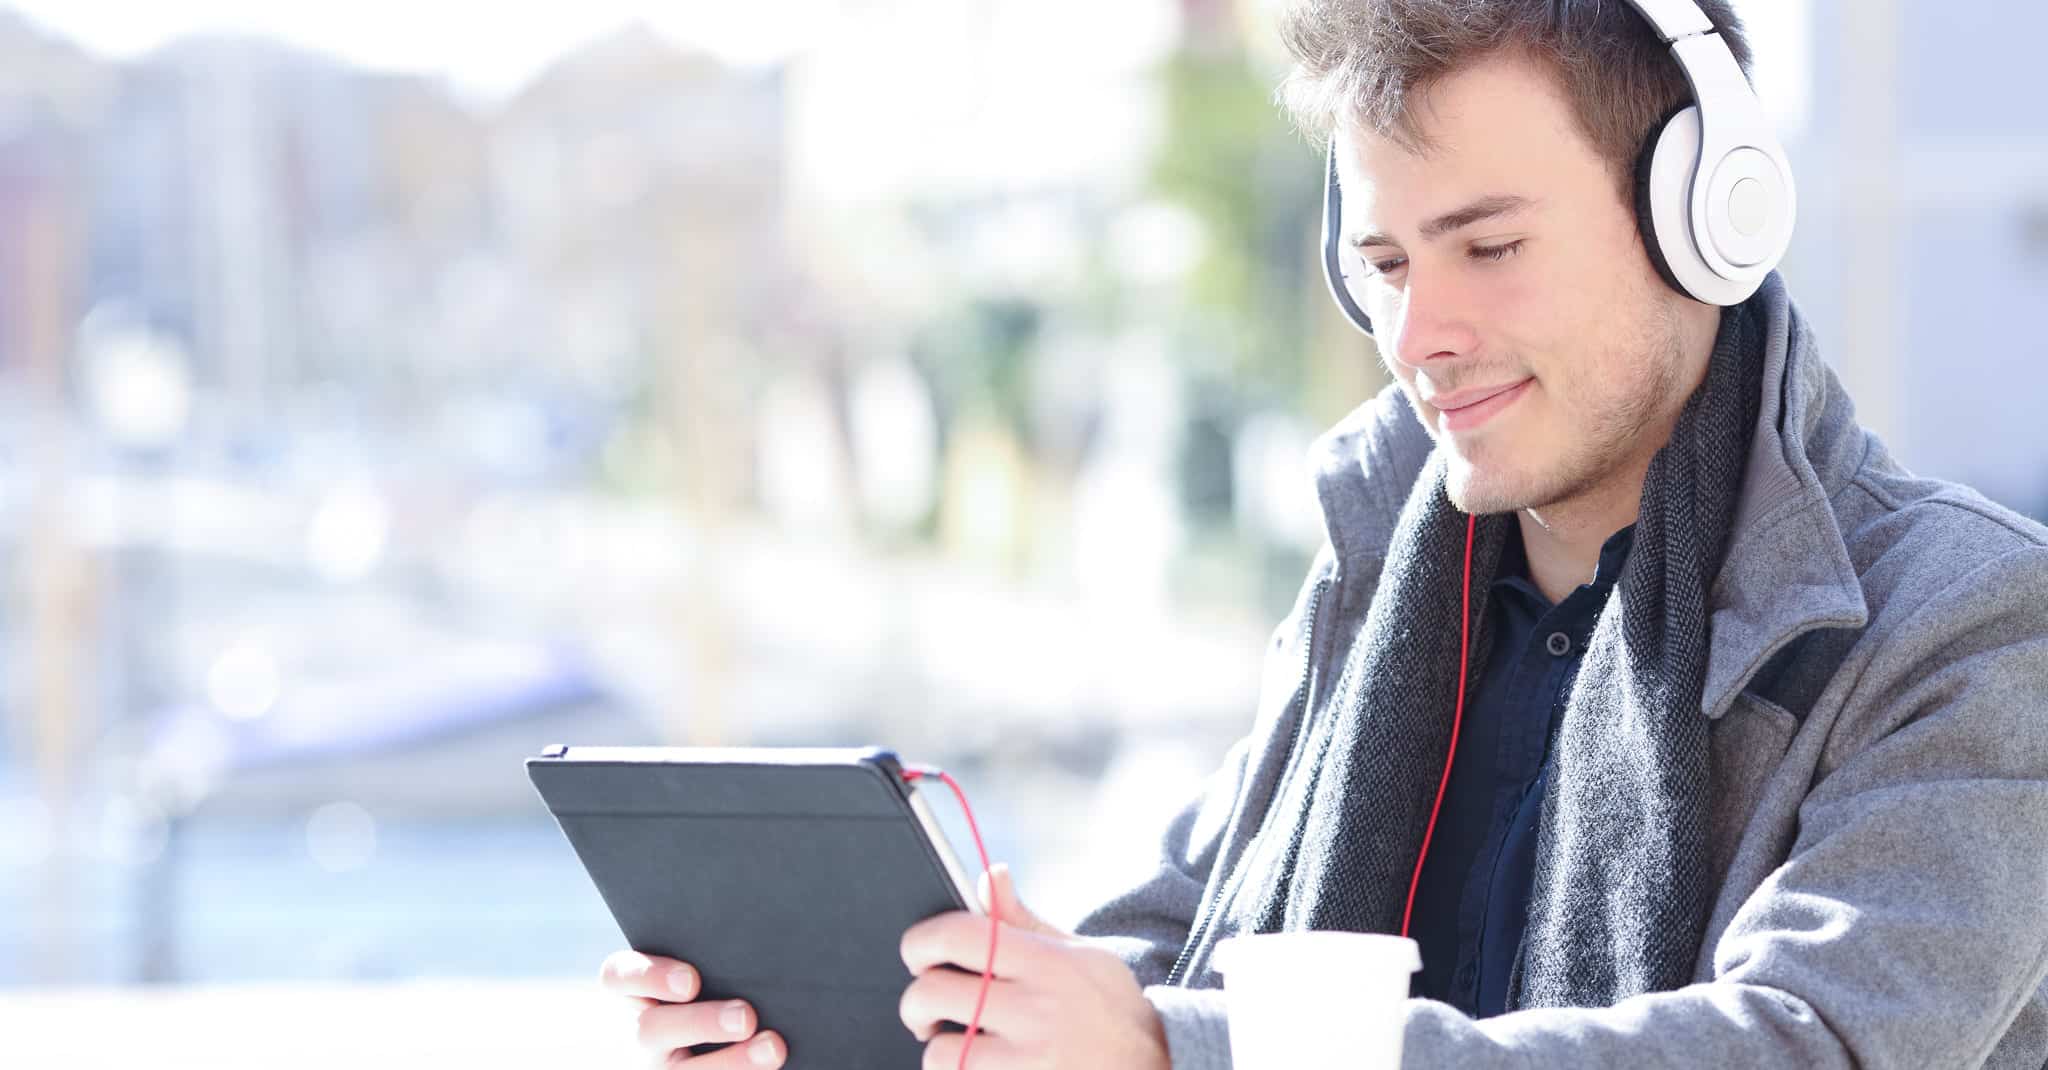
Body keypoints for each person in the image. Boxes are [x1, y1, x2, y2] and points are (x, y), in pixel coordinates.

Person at [599, 1, 2048, 1066]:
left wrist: (1181, 1054)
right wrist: (901, 1018)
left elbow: (1806, 1046)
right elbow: (1159, 947)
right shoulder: (1379, 577)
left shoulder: (1965, 625)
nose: (1422, 333)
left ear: (1707, 219)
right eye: (1385, 264)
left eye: (1488, 246)